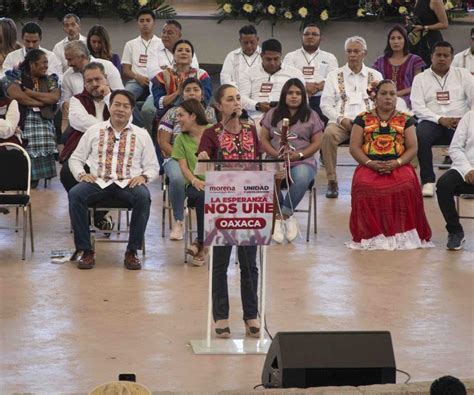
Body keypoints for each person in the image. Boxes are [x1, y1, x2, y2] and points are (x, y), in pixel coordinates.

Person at [68, 90, 159, 270]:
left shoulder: (141, 134)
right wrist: (81, 175)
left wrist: (143, 177)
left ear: (132, 110)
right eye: (117, 104)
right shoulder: (94, 130)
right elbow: (75, 158)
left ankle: (132, 251)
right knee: (75, 194)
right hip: (98, 182)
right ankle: (86, 250)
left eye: (126, 106)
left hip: (128, 183)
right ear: (110, 106)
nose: (120, 109)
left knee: (143, 197)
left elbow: (153, 166)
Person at [197, 84, 261, 339]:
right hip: (222, 202)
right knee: (221, 263)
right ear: (219, 106)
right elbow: (202, 169)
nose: (236, 104)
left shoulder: (251, 130)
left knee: (249, 263)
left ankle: (252, 314)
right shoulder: (211, 133)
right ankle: (221, 315)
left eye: (238, 99)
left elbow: (257, 162)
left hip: (249, 202)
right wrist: (203, 157)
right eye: (230, 100)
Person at [348, 80, 432, 250]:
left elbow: (413, 147)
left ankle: (400, 232)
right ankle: (370, 234)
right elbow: (354, 147)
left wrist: (397, 163)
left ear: (396, 97)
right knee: (362, 185)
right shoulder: (362, 119)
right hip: (369, 164)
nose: (388, 97)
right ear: (375, 97)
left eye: (392, 94)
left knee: (407, 184)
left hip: (398, 165)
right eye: (383, 93)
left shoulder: (406, 119)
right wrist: (370, 163)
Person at [260, 78, 324, 243]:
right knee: (265, 176)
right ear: (284, 95)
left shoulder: (311, 115)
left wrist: (300, 155)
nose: (294, 96)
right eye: (290, 93)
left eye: (298, 93)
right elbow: (264, 139)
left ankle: (284, 214)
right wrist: (275, 154)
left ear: (303, 96)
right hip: (275, 159)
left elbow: (318, 142)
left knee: (302, 175)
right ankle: (279, 215)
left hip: (302, 160)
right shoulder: (272, 113)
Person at [320, 36, 383, 198]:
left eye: (356, 51)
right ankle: (332, 180)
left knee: (383, 133)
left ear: (365, 53)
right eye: (349, 51)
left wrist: (368, 120)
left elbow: (382, 103)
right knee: (328, 134)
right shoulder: (334, 75)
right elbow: (325, 105)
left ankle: (375, 177)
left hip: (368, 123)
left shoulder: (375, 75)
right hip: (341, 122)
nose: (352, 55)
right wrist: (341, 119)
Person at [411, 41, 473, 197]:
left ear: (452, 58)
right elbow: (417, 107)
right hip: (432, 121)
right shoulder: (420, 78)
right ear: (431, 57)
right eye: (438, 55)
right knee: (420, 134)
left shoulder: (463, 74)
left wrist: (466, 119)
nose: (442, 58)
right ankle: (428, 181)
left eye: (446, 55)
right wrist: (440, 119)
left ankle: (467, 177)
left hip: (460, 121)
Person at [158, 77, 217, 240]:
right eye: (188, 90)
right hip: (174, 156)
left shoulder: (211, 113)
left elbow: (215, 142)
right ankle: (179, 220)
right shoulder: (172, 113)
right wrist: (182, 154)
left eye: (196, 89)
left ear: (202, 94)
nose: (192, 92)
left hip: (201, 158)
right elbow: (163, 142)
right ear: (182, 95)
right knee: (177, 177)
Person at [2, 49, 60, 188]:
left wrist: (29, 92)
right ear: (32, 64)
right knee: (29, 136)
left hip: (45, 118)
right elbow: (17, 96)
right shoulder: (15, 76)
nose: (46, 66)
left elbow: (54, 97)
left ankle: (38, 175)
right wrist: (42, 102)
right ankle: (26, 175)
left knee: (46, 134)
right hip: (22, 117)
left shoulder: (50, 79)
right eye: (43, 63)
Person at [142, 19, 199, 134]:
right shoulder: (154, 50)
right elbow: (153, 73)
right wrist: (174, 71)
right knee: (147, 110)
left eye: (169, 33)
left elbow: (193, 73)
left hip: (185, 93)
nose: (165, 35)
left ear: (179, 35)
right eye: (163, 32)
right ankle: (152, 137)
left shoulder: (187, 50)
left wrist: (167, 70)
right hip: (160, 93)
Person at [171, 98, 209, 263]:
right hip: (194, 184)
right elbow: (183, 167)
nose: (177, 119)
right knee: (202, 196)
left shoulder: (213, 132)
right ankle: (203, 243)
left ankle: (200, 243)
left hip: (218, 182)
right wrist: (194, 181)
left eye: (181, 115)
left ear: (193, 116)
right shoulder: (180, 139)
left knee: (210, 195)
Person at [61, 40, 123, 131]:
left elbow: (121, 95)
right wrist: (108, 128)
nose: (68, 64)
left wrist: (107, 95)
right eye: (89, 81)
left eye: (70, 59)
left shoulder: (107, 66)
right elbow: (67, 104)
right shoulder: (67, 76)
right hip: (84, 128)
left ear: (82, 57)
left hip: (112, 117)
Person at [240, 38, 305, 124]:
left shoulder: (294, 73)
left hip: (287, 117)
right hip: (257, 117)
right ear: (261, 55)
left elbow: (304, 99)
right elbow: (241, 98)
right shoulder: (249, 73)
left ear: (281, 55)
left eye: (276, 59)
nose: (272, 63)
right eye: (268, 59)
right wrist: (258, 105)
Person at [283, 23, 338, 121]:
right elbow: (287, 78)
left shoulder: (330, 57)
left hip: (321, 99)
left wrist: (316, 88)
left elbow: (333, 79)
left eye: (314, 34)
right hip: (297, 98)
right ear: (302, 37)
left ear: (321, 38)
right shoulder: (290, 56)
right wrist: (304, 87)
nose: (310, 36)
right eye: (306, 34)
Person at [436, 110, 474, 250]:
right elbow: (455, 148)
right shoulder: (469, 116)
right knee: (443, 185)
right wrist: (468, 169)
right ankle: (455, 231)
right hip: (466, 166)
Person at [150, 39, 211, 124]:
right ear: (173, 55)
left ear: (192, 57)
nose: (183, 53)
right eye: (179, 50)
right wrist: (177, 93)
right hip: (169, 113)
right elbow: (159, 102)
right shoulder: (162, 76)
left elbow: (205, 98)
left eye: (187, 51)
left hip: (198, 112)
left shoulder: (202, 75)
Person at [373, 25, 425, 108]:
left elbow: (417, 85)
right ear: (388, 41)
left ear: (405, 40)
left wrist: (397, 94)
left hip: (408, 98)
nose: (396, 41)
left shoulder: (415, 60)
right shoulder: (379, 61)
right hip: (384, 98)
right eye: (392, 38)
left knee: (399, 104)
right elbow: (374, 84)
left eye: (399, 38)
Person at [122, 8, 162, 104]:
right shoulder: (130, 44)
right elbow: (126, 70)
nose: (145, 23)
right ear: (138, 23)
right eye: (142, 21)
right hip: (136, 81)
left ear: (154, 23)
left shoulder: (162, 43)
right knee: (124, 98)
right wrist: (137, 77)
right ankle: (138, 119)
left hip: (157, 82)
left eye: (148, 20)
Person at [407, 0, 448, 66]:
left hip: (430, 42)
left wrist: (424, 27)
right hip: (416, 41)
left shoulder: (435, 1)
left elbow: (444, 24)